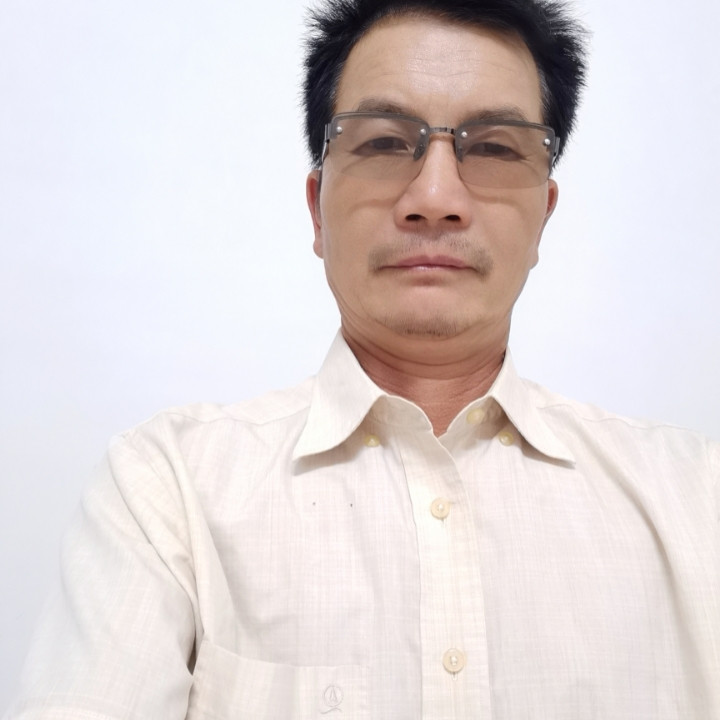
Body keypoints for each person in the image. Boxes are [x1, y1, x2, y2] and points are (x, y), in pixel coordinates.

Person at [5, 0, 719, 718]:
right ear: (317, 208)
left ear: (544, 216)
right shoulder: (169, 489)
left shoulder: (697, 499)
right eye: (382, 143)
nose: (435, 198)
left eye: (495, 148)